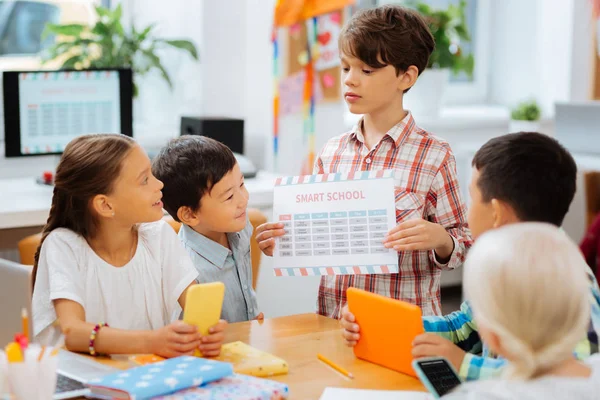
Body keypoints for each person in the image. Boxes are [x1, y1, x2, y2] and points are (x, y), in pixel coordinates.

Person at [257, 4, 471, 319]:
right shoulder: (332, 152)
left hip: (403, 327)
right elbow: (321, 239)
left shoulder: (435, 155)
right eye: (346, 68)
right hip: (333, 321)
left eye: (366, 70)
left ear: (406, 76)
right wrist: (286, 244)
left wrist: (441, 239)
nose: (350, 80)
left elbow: (464, 242)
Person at [341, 132, 600, 380]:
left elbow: (576, 378)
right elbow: (465, 328)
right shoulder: (501, 264)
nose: (467, 210)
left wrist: (464, 364)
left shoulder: (571, 285)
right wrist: (381, 324)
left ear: (496, 212)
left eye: (472, 196)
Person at [32, 134, 227, 358]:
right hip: (84, 382)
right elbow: (73, 332)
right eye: (145, 180)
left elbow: (198, 307)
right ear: (105, 205)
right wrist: (152, 342)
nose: (159, 184)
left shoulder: (159, 236)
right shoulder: (63, 245)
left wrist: (208, 331)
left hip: (146, 378)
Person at [152, 135, 262, 323]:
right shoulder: (186, 270)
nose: (244, 199)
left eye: (242, 185)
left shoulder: (239, 228)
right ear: (190, 215)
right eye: (229, 197)